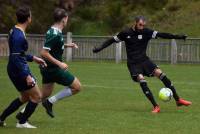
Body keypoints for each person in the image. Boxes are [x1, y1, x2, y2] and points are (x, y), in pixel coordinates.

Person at [93, 16, 192, 113]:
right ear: (135, 23)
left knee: (161, 74)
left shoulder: (146, 32)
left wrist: (178, 36)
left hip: (145, 61)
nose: (142, 27)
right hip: (133, 63)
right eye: (140, 25)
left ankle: (178, 100)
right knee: (141, 79)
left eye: (143, 25)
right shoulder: (126, 33)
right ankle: (156, 106)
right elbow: (111, 40)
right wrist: (99, 48)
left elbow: (162, 34)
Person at [16, 8, 81, 118]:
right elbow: (44, 53)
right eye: (67, 19)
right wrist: (60, 64)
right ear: (64, 19)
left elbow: (52, 45)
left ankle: (22, 114)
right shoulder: (55, 34)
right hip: (54, 69)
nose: (67, 21)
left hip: (47, 68)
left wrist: (67, 45)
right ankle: (50, 102)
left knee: (42, 95)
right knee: (77, 87)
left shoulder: (53, 30)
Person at [0, 6, 46, 128]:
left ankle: (1, 118)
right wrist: (26, 75)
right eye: (30, 15)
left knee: (25, 97)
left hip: (13, 68)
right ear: (28, 19)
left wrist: (33, 58)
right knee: (37, 96)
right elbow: (16, 57)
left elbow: (18, 53)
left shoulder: (14, 30)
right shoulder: (19, 36)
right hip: (18, 70)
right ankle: (22, 122)